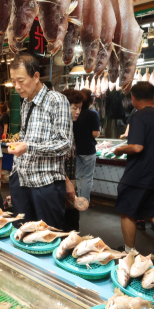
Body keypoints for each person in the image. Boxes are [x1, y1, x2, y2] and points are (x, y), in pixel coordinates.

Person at [7, 54, 73, 230]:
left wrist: (28, 147)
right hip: (21, 181)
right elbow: (24, 135)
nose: (17, 86)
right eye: (13, 81)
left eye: (20, 80)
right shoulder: (25, 103)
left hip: (45, 184)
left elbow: (65, 143)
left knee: (48, 236)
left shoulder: (57, 100)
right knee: (23, 234)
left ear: (36, 76)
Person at [113, 82, 154, 252]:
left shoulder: (138, 116)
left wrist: (120, 149)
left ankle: (129, 252)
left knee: (127, 212)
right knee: (152, 211)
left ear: (133, 99)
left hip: (139, 174)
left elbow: (136, 147)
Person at [62, 89, 86, 231]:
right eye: (75, 108)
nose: (78, 112)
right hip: (62, 181)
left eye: (80, 108)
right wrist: (67, 182)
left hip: (69, 179)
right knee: (66, 223)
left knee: (71, 220)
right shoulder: (61, 128)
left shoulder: (70, 126)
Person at [72, 89, 100, 204]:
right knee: (87, 177)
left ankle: (75, 200)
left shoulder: (74, 113)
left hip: (75, 149)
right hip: (88, 150)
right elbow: (95, 133)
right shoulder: (93, 114)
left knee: (77, 176)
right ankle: (84, 202)